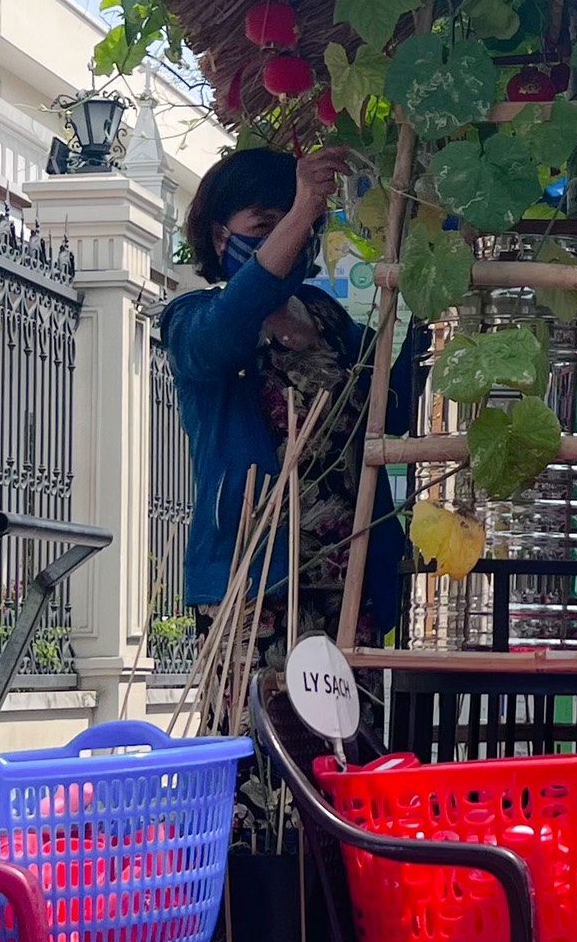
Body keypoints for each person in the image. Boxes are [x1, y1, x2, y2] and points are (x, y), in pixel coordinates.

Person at [162, 146, 414, 646]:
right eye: (266, 223)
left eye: (300, 222)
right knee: (258, 722)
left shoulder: (327, 318)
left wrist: (431, 291)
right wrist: (302, 208)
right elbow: (228, 327)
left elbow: (395, 406)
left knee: (352, 725)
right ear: (219, 237)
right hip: (256, 579)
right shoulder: (192, 319)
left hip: (350, 576)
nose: (291, 235)